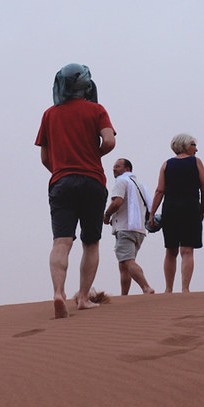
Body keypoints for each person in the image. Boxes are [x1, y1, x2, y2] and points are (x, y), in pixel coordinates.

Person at [35, 63, 116, 318]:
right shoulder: (96, 110)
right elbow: (109, 140)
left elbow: (44, 157)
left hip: (62, 182)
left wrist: (61, 169)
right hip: (92, 181)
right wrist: (93, 155)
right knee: (90, 242)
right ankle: (83, 297)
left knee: (62, 241)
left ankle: (58, 292)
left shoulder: (50, 114)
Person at [149, 133, 204, 293]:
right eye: (194, 145)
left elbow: (159, 190)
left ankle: (168, 289)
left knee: (170, 250)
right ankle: (185, 289)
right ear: (185, 145)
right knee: (187, 250)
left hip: (170, 208)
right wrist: (202, 209)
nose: (196, 149)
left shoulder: (166, 164)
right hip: (190, 207)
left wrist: (152, 213)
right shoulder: (196, 162)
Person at [103, 158, 155, 295]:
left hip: (125, 228)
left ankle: (146, 287)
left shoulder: (122, 181)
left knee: (128, 261)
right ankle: (124, 295)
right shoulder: (140, 185)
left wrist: (107, 214)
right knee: (123, 264)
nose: (114, 169)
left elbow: (117, 202)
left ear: (127, 169)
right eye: (114, 166)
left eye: (118, 166)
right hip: (139, 230)